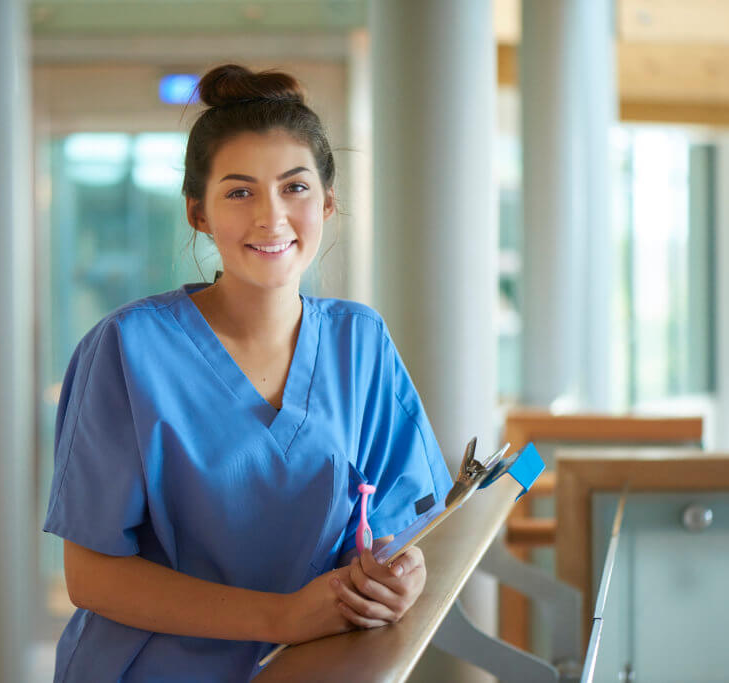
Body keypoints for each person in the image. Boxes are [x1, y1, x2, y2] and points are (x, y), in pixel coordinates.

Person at [42, 63, 454, 682]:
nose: (271, 217)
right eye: (239, 192)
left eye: (295, 188)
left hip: (314, 667)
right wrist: (281, 617)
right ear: (198, 213)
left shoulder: (360, 342)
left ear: (329, 201)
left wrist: (403, 579)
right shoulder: (127, 351)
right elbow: (91, 575)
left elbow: (402, 527)